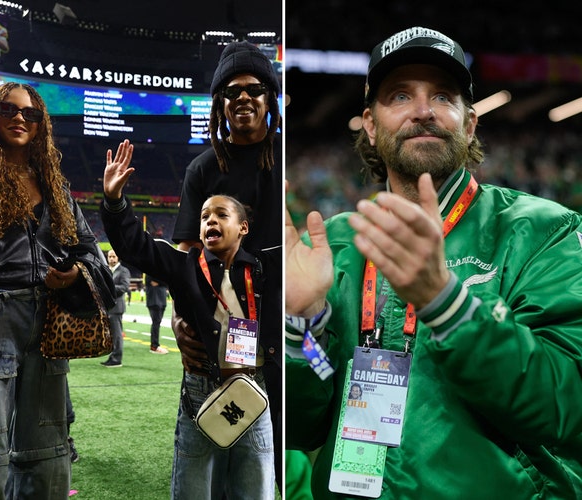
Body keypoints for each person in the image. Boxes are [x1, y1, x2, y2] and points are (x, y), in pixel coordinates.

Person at [286, 26, 582, 499]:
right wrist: (300, 331)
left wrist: (447, 305)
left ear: (469, 124)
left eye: (442, 96)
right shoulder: (335, 243)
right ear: (370, 123)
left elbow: (570, 406)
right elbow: (303, 427)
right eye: (400, 95)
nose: (423, 111)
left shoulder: (543, 231)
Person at [102, 139, 279, 498]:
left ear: (243, 228)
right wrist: (115, 202)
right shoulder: (185, 267)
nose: (210, 220)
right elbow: (136, 245)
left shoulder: (265, 269)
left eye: (221, 215)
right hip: (200, 394)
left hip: (255, 394)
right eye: (203, 217)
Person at [0, 81, 113, 499]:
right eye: (8, 110)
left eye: (30, 113)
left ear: (41, 126)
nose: (20, 118)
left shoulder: (57, 188)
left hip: (48, 327)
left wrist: (76, 273)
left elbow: (91, 253)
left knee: (48, 454)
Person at [170, 40, 284, 490]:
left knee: (270, 473)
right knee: (209, 472)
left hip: (283, 338)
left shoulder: (284, 158)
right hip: (217, 344)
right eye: (231, 92)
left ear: (269, 97)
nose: (243, 98)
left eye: (254, 89)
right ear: (219, 103)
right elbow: (182, 257)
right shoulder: (202, 169)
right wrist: (180, 322)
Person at [101, 248, 130, 367]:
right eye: (109, 256)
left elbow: (124, 287)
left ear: (118, 257)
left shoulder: (123, 271)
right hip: (108, 307)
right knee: (112, 334)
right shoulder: (107, 270)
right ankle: (113, 356)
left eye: (113, 256)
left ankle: (117, 358)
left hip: (116, 307)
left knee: (117, 334)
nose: (111, 259)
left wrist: (108, 288)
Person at [144, 274, 169, 354]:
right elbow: (151, 280)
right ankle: (154, 346)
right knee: (156, 323)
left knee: (157, 323)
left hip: (160, 299)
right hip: (155, 300)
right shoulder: (149, 272)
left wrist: (161, 282)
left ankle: (155, 345)